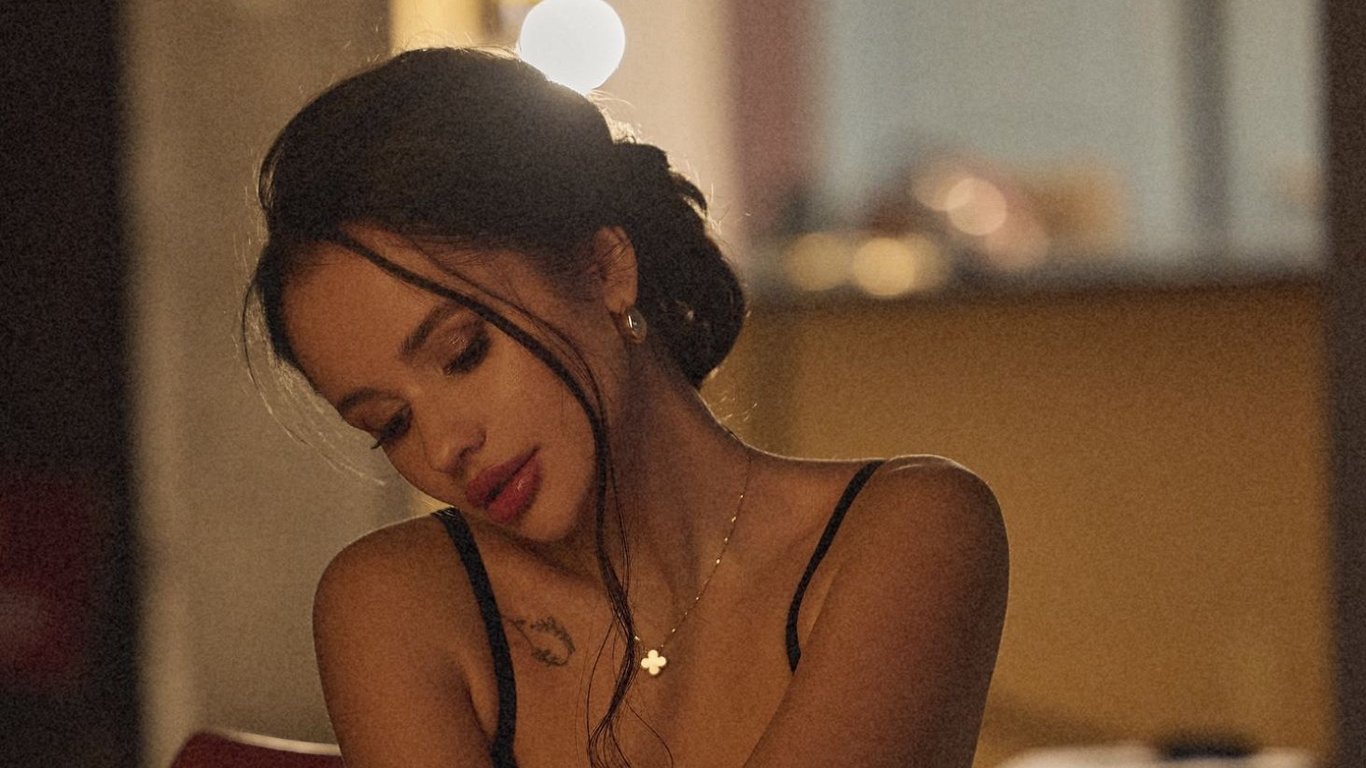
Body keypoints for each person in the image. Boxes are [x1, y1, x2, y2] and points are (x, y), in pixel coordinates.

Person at [245, 46, 1008, 768]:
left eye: (463, 353)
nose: (444, 446)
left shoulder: (908, 531)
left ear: (604, 268)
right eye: (390, 424)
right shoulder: (399, 606)